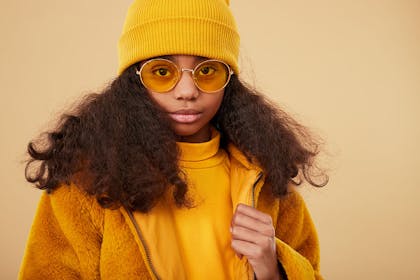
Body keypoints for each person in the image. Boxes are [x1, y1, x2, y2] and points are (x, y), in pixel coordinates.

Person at [19, 0, 328, 279]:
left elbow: (310, 270)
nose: (187, 91)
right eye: (162, 72)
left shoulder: (265, 177)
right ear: (133, 81)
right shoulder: (86, 180)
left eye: (207, 70)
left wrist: (275, 270)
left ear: (229, 80)